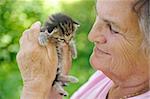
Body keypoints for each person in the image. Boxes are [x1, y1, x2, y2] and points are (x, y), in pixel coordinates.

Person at [16, 0, 150, 99]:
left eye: (113, 28)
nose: (92, 36)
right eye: (98, 16)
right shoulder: (110, 76)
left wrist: (34, 89)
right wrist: (52, 84)